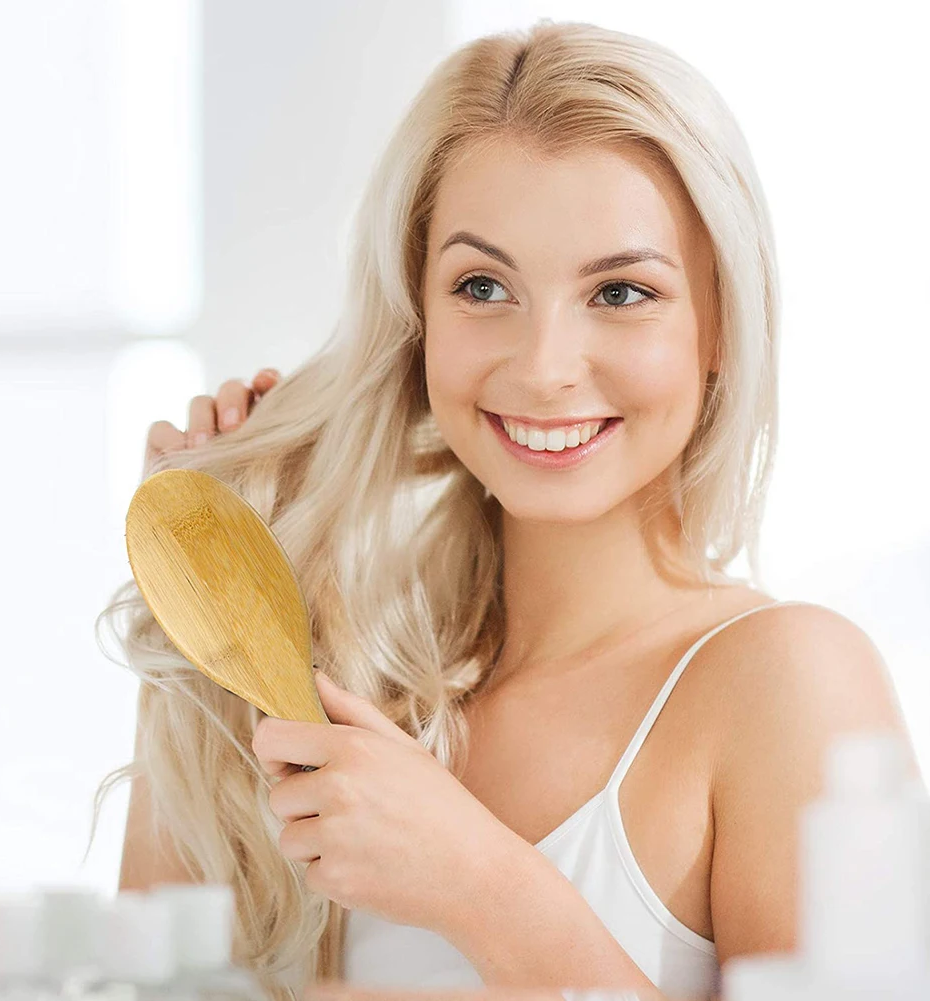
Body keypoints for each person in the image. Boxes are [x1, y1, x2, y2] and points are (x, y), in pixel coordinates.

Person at [87, 19, 922, 1001]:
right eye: (482, 286)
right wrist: (200, 622)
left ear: (721, 327)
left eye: (620, 292)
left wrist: (483, 884)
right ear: (415, 319)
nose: (543, 367)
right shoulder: (349, 674)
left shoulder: (788, 680)